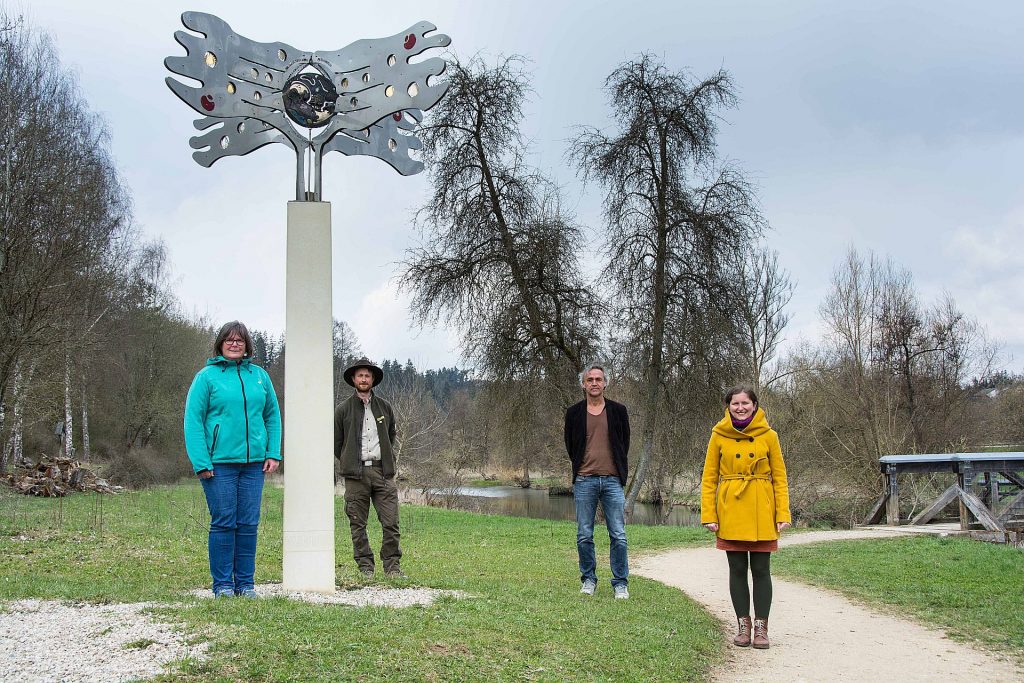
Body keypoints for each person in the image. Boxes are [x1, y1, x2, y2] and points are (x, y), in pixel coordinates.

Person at [184, 321, 282, 598]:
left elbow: (272, 416)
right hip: (219, 465)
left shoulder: (260, 376)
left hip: (253, 464)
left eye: (240, 340)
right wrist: (201, 462)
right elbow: (193, 421)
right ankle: (223, 586)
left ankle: (246, 585)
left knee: (249, 523)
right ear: (220, 344)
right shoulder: (206, 377)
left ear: (247, 345)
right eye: (229, 339)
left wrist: (273, 452)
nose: (235, 344)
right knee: (224, 521)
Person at [700, 385, 791, 649]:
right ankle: (743, 625)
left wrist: (782, 512)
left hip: (762, 506)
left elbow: (780, 477)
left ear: (755, 405)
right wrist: (709, 513)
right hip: (731, 505)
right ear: (728, 407)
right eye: (735, 404)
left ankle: (762, 628)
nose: (740, 408)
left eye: (745, 403)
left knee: (762, 570)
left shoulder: (769, 435)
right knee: (737, 569)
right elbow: (708, 478)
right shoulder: (718, 435)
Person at [564, 362, 631, 599]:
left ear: (605, 383)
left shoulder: (618, 411)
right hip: (584, 481)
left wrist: (617, 472)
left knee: (618, 535)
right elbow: (571, 446)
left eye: (598, 379)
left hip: (612, 481)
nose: (594, 383)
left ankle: (620, 583)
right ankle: (588, 579)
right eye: (590, 379)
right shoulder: (573, 413)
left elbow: (624, 443)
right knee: (584, 534)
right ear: (583, 384)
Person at [334, 357, 402, 578]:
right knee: (357, 524)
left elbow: (391, 435)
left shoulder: (385, 407)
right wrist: (350, 460)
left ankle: (392, 567)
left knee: (391, 522)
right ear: (354, 379)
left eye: (367, 376)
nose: (364, 379)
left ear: (373, 380)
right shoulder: (343, 410)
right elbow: (337, 443)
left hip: (383, 473)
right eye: (360, 375)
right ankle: (366, 568)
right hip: (356, 474)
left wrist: (386, 460)